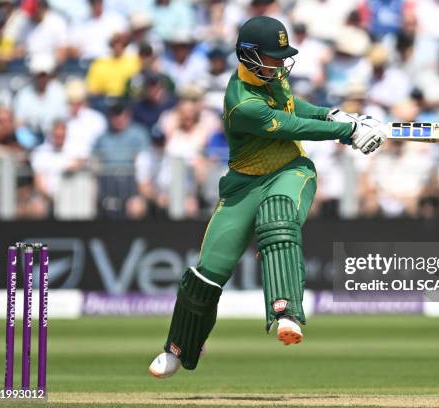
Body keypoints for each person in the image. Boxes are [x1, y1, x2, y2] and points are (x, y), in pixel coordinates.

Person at [148, 15, 385, 378]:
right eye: (273, 57)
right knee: (207, 272)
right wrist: (346, 130)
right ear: (248, 55)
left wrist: (333, 113)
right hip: (242, 185)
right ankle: (179, 346)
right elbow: (291, 125)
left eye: (281, 56)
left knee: (277, 219)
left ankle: (286, 313)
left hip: (290, 171)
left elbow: (296, 108)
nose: (280, 63)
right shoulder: (242, 103)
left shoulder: (271, 75)